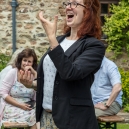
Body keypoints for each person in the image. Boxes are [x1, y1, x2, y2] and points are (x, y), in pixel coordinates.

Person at [20, 0, 105, 129]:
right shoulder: (59, 40)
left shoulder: (94, 46)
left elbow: (70, 73)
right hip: (46, 117)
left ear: (88, 11)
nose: (68, 7)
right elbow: (53, 82)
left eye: (75, 3)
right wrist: (31, 84)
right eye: (67, 3)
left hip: (73, 120)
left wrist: (52, 39)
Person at [0, 48, 38, 129]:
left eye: (29, 61)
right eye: (25, 60)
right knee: (32, 117)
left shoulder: (32, 75)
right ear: (20, 60)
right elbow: (3, 93)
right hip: (13, 106)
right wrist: (20, 105)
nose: (26, 63)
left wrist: (34, 72)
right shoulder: (13, 72)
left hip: (28, 107)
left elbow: (39, 90)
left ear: (32, 63)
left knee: (38, 115)